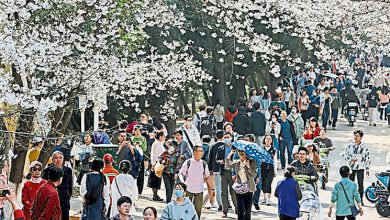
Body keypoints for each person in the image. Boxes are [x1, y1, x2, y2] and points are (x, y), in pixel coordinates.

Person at [178, 145, 211, 218]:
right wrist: (183, 183)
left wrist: (211, 189)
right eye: (200, 151)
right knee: (186, 208)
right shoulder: (188, 162)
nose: (202, 153)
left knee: (198, 210)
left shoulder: (204, 163)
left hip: (199, 190)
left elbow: (207, 176)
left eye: (202, 151)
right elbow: (180, 174)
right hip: (188, 189)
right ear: (194, 152)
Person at [226, 148, 257, 220]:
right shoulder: (237, 162)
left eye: (242, 153)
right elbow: (227, 166)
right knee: (240, 209)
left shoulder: (252, 162)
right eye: (239, 153)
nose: (241, 154)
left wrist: (249, 167)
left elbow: (254, 174)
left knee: (248, 209)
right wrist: (230, 154)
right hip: (239, 188)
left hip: (249, 187)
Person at [42, 151, 73, 220]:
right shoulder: (47, 171)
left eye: (60, 158)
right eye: (56, 158)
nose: (58, 160)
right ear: (52, 159)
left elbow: (70, 186)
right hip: (51, 199)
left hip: (64, 200)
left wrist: (68, 196)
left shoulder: (68, 170)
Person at [343, 130, 371, 205]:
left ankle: (360, 199)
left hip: (361, 168)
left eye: (357, 136)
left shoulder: (364, 147)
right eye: (355, 136)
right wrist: (351, 159)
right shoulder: (349, 146)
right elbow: (345, 155)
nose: (356, 137)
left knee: (360, 185)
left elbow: (367, 158)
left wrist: (367, 169)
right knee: (350, 184)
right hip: (351, 167)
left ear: (361, 137)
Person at [215, 132, 237, 217]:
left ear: (231, 138)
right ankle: (225, 210)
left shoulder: (235, 148)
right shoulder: (221, 148)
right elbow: (217, 159)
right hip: (223, 172)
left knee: (233, 192)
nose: (226, 138)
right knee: (224, 192)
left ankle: (237, 209)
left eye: (228, 137)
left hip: (232, 172)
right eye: (225, 137)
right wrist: (222, 161)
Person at [206, 130, 224, 210]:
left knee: (218, 187)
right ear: (223, 136)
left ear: (216, 137)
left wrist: (210, 169)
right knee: (225, 187)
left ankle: (220, 203)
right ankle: (227, 202)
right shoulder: (226, 145)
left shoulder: (212, 146)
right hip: (225, 168)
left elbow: (210, 159)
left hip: (215, 169)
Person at [159, 139, 179, 204]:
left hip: (173, 173)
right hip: (165, 172)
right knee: (167, 187)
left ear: (175, 147)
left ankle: (169, 200)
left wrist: (176, 172)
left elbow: (179, 164)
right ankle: (168, 202)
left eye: (172, 145)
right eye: (170, 145)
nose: (170, 146)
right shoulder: (165, 152)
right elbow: (160, 158)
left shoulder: (177, 154)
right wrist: (162, 161)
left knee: (171, 187)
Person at [149, 130, 166, 201]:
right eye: (163, 136)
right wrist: (153, 164)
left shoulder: (159, 143)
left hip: (158, 163)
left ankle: (155, 194)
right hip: (156, 163)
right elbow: (154, 155)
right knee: (155, 180)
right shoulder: (156, 143)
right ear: (160, 136)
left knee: (157, 180)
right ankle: (155, 195)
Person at [261, 135, 277, 206]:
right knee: (263, 183)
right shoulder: (261, 149)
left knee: (268, 183)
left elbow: (275, 160)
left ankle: (268, 198)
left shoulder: (274, 150)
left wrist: (275, 171)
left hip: (270, 168)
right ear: (264, 140)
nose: (268, 140)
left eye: (270, 139)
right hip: (262, 167)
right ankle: (264, 197)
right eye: (267, 138)